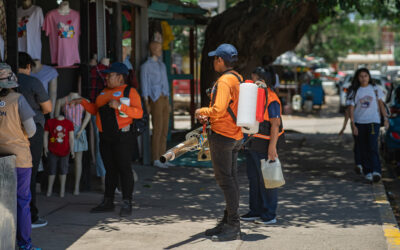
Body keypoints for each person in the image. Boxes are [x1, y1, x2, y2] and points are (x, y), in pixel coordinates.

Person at [71, 62, 143, 216]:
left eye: (110, 75)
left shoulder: (130, 92)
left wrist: (120, 107)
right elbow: (96, 111)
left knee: (124, 169)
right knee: (109, 170)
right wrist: (83, 102)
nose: (107, 78)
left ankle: (127, 202)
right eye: (107, 75)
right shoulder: (103, 92)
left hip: (123, 136)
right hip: (105, 136)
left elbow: (139, 113)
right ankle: (108, 201)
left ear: (120, 77)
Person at [195, 44, 243, 241]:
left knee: (225, 180)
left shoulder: (224, 81)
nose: (213, 61)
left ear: (221, 61)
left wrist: (201, 111)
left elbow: (218, 110)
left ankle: (233, 225)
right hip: (237, 135)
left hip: (223, 136)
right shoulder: (238, 78)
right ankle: (228, 221)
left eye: (215, 58)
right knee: (231, 179)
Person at [0, 63, 41, 250]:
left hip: (0, 157)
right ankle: (25, 245)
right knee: (22, 201)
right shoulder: (18, 100)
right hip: (20, 158)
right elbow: (31, 130)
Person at [241, 66, 284, 225]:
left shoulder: (271, 98)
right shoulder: (254, 96)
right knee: (254, 179)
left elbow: (275, 125)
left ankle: (269, 214)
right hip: (252, 144)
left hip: (265, 145)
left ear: (262, 81)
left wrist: (272, 147)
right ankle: (255, 210)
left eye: (254, 80)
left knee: (268, 180)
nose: (251, 83)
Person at [17, 52, 52, 229]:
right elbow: (47, 108)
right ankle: (30, 215)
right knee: (28, 170)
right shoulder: (33, 82)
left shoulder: (8, 83)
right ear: (29, 66)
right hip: (32, 131)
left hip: (9, 131)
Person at [348, 68, 389, 182]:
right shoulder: (354, 91)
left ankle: (377, 171)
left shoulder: (375, 89)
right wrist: (353, 125)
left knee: (373, 146)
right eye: (361, 76)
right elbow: (351, 108)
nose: (363, 78)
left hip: (373, 121)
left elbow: (381, 105)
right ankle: (368, 172)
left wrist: (385, 119)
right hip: (360, 122)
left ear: (369, 77)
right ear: (358, 78)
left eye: (366, 75)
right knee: (364, 147)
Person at [140, 40, 172, 168]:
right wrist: (146, 102)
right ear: (152, 49)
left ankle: (163, 157)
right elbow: (144, 84)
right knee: (157, 128)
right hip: (155, 98)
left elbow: (165, 82)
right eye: (158, 48)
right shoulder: (146, 66)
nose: (160, 50)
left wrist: (168, 100)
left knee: (165, 129)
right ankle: (155, 158)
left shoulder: (162, 65)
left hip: (164, 97)